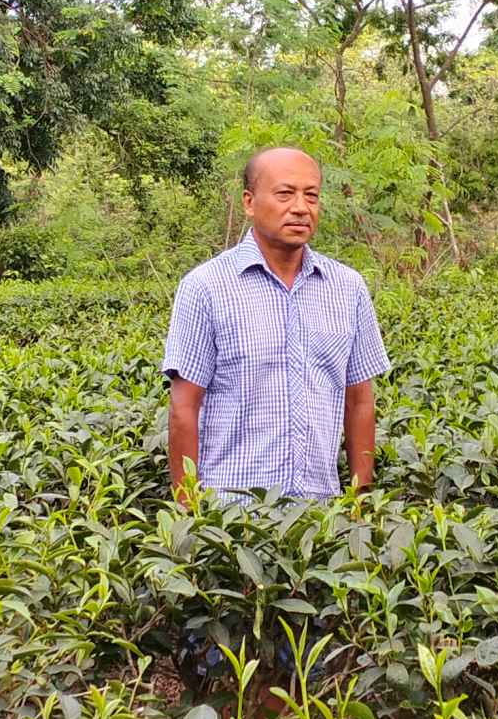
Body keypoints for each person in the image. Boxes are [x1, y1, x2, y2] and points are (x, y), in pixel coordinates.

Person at [162, 146, 390, 506]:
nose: (301, 207)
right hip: (231, 519)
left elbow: (359, 401)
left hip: (320, 516)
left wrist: (360, 502)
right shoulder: (205, 287)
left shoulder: (347, 288)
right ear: (250, 202)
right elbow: (183, 408)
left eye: (311, 195)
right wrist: (189, 510)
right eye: (285, 193)